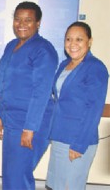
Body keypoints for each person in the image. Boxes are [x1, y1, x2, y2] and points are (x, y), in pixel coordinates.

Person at [0, 1, 58, 190]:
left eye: (28, 20)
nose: (21, 24)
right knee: (11, 174)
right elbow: (5, 85)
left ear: (38, 23)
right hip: (11, 120)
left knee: (19, 176)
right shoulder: (11, 45)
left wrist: (30, 128)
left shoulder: (43, 49)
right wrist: (0, 116)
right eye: (17, 19)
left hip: (31, 122)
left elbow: (41, 91)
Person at [46, 22, 108, 190]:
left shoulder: (95, 68)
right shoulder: (63, 66)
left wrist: (79, 144)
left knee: (70, 186)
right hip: (59, 136)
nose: (72, 44)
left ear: (90, 41)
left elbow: (93, 110)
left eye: (79, 39)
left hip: (77, 140)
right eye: (68, 39)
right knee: (55, 185)